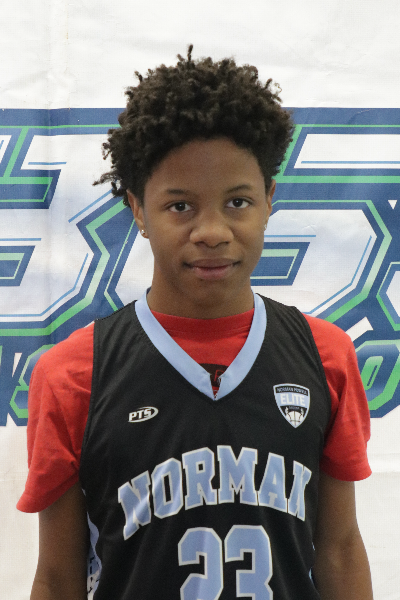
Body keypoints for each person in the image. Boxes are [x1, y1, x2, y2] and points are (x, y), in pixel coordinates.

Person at [18, 46, 374, 599]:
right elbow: (59, 575)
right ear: (138, 208)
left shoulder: (325, 355)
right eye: (181, 206)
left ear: (269, 199)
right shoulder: (72, 374)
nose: (212, 231)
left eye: (237, 202)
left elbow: (340, 549)